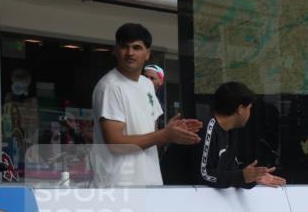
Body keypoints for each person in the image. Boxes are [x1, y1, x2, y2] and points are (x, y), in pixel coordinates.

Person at [91, 23, 201, 187]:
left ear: (147, 54)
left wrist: (171, 132)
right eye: (124, 47)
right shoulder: (111, 86)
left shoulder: (147, 84)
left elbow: (152, 135)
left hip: (149, 183)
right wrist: (163, 135)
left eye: (137, 47)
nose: (130, 53)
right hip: (119, 186)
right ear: (115, 50)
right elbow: (115, 144)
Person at [197, 82, 285, 188]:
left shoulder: (230, 130)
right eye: (249, 108)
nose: (250, 113)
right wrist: (241, 176)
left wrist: (253, 177)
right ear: (240, 109)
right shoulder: (207, 128)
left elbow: (231, 171)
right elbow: (203, 174)